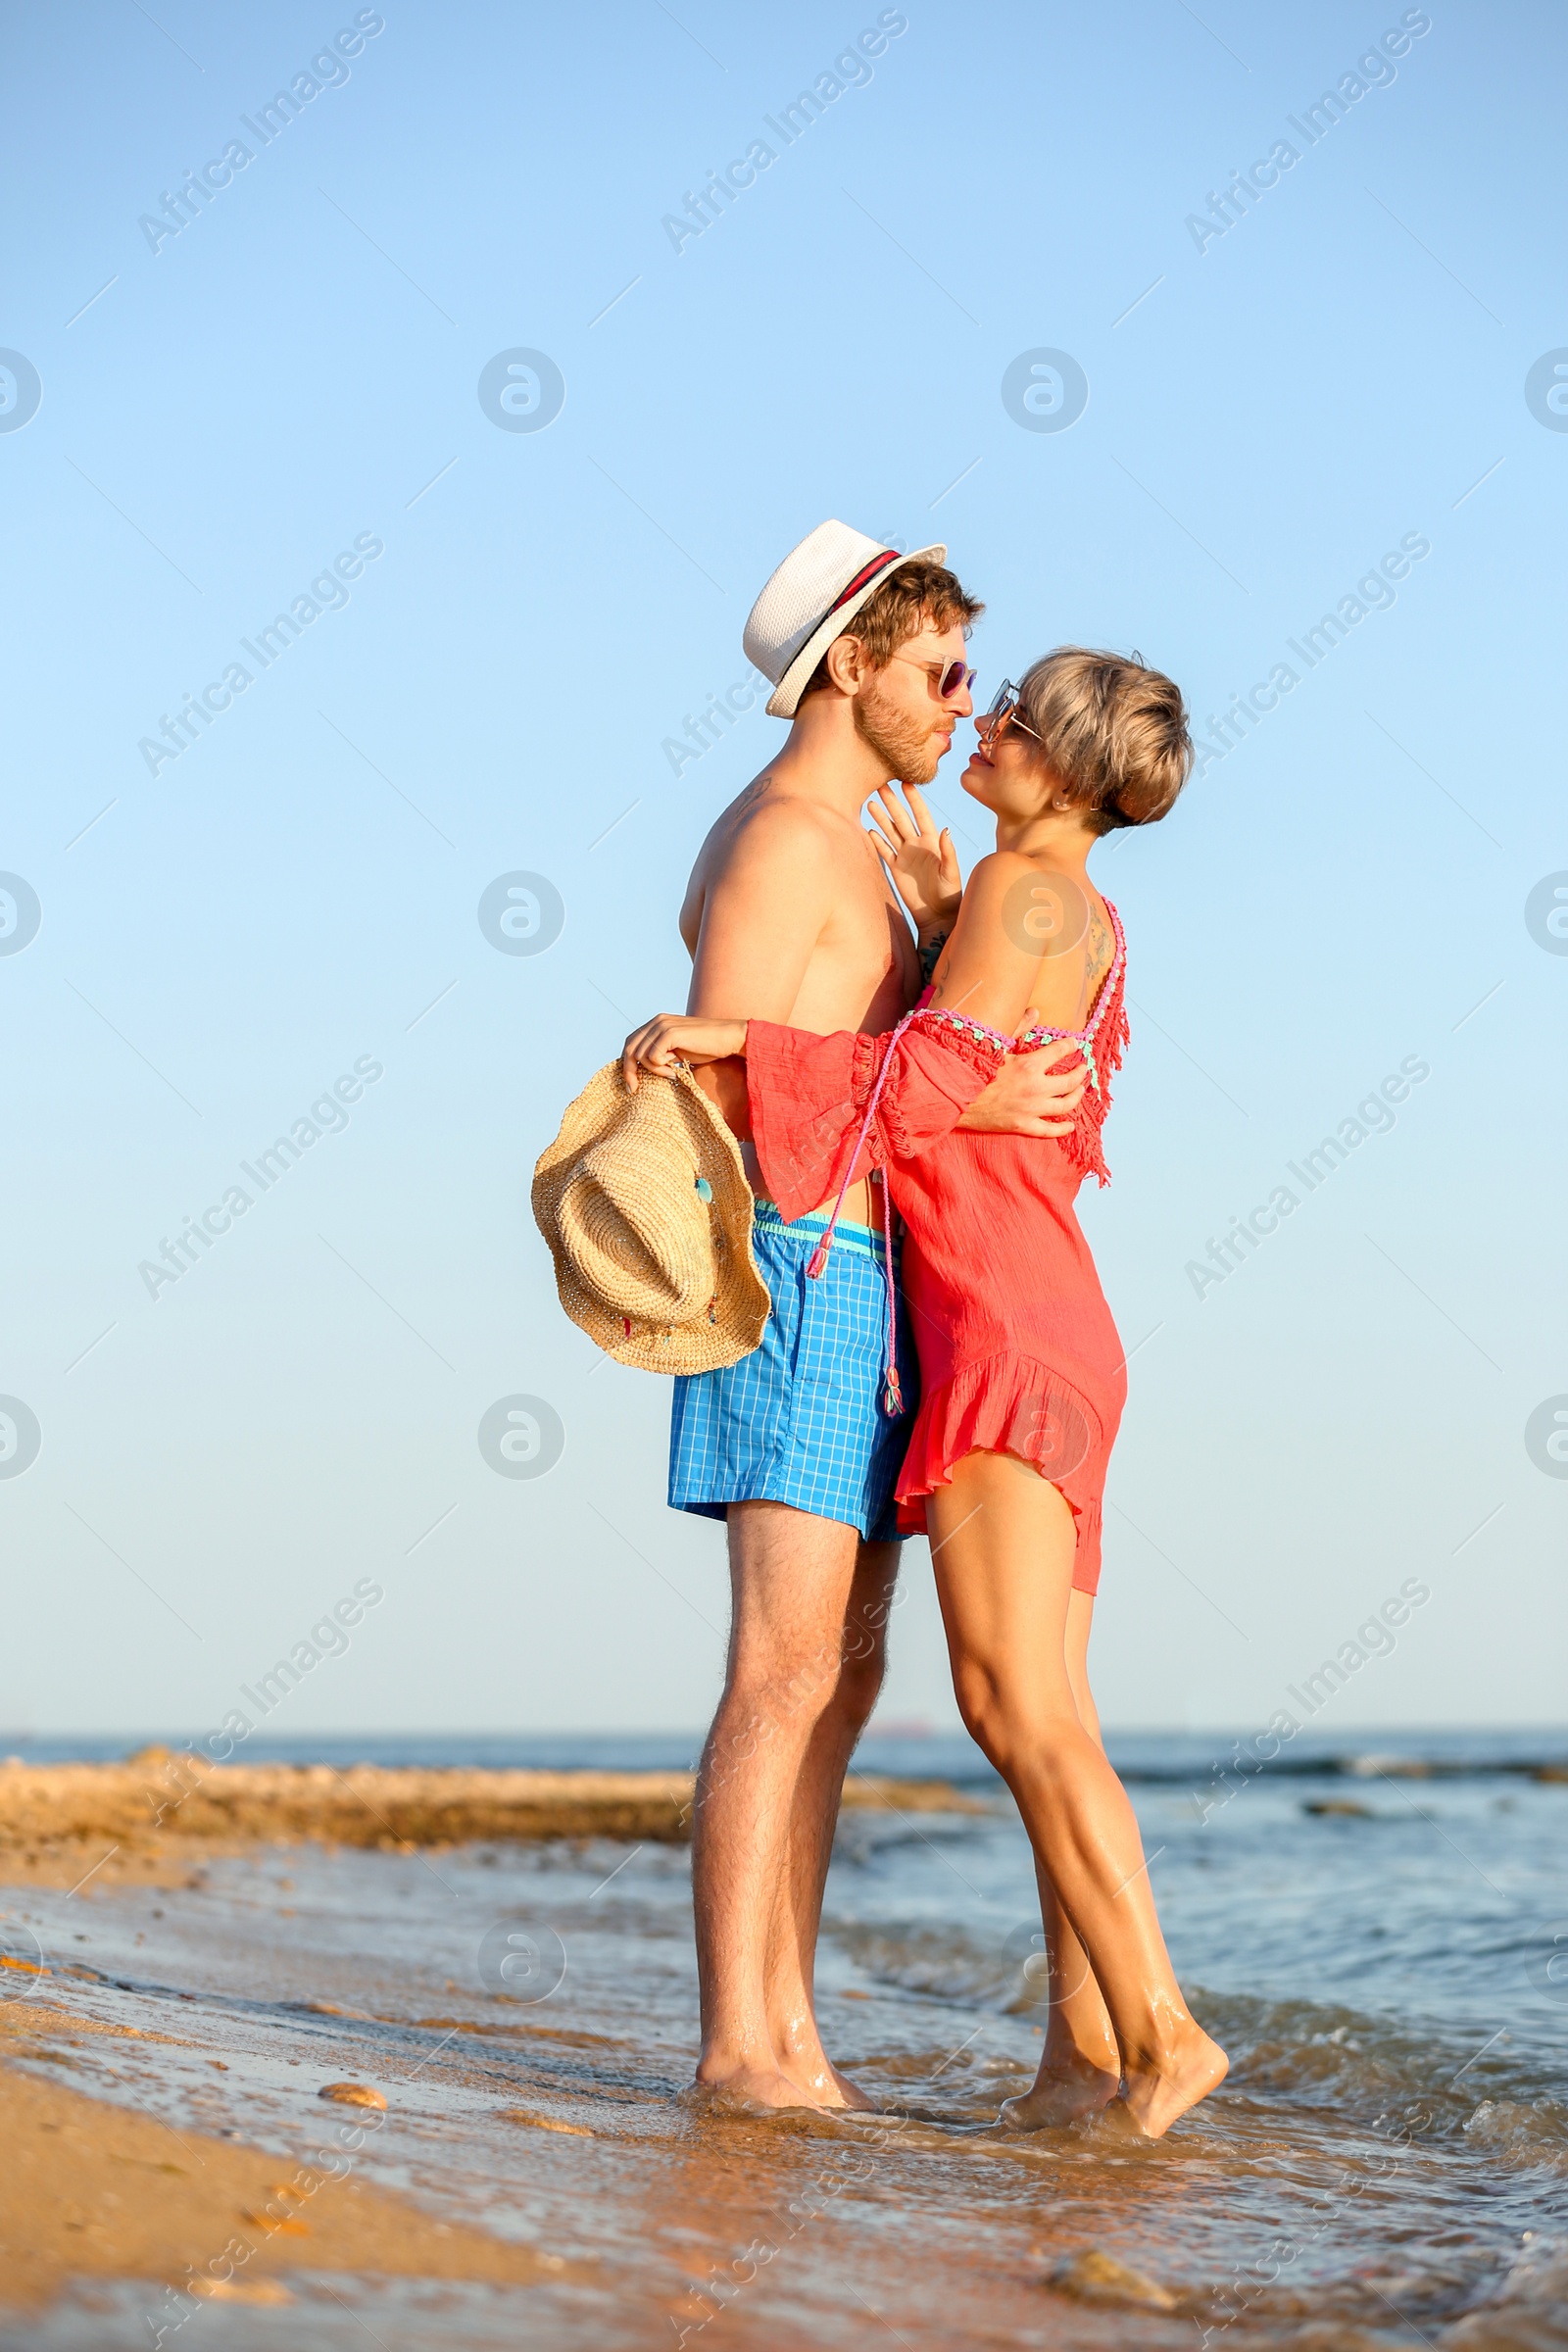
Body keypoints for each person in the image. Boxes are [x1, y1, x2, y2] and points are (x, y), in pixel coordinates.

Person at [624, 648, 1230, 2138]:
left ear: (1071, 771)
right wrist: (949, 935)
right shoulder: (1066, 912)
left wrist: (732, 1040)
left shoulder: (1028, 900)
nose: (991, 720)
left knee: (1012, 1704)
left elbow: (899, 1101)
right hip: (1053, 1324)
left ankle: (1160, 2033)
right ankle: (1078, 2063)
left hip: (998, 1330)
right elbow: (960, 1079)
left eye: (1017, 714)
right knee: (1048, 1703)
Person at [638, 523, 1090, 2113]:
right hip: (803, 1273)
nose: (966, 704)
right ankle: (739, 2049)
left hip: (871, 1288)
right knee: (780, 1671)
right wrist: (973, 1112)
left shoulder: (852, 851)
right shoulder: (780, 843)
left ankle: (791, 2031)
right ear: (850, 666)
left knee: (841, 1679)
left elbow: (869, 1068)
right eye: (941, 671)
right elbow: (748, 1106)